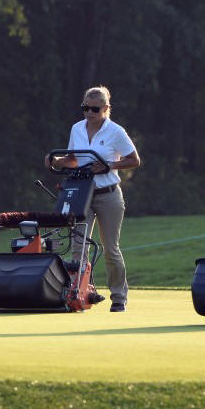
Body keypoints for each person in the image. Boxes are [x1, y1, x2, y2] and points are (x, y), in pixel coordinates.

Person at [47, 86, 140, 312]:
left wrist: (110, 165)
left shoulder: (116, 131)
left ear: (106, 108)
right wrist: (56, 161)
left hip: (108, 194)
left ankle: (118, 297)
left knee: (110, 249)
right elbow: (73, 159)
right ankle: (77, 294)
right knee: (78, 248)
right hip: (82, 194)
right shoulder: (77, 128)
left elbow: (134, 160)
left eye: (95, 109)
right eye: (85, 107)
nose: (89, 112)